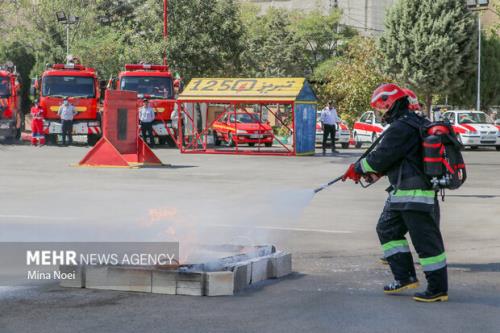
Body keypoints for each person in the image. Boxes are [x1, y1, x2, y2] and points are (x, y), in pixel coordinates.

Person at [342, 83, 448, 303]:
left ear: (391, 104)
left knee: (426, 242)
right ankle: (404, 276)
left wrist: (359, 168)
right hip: (403, 192)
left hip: (415, 193)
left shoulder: (402, 127)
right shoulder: (410, 124)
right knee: (386, 229)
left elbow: (381, 156)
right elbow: (401, 157)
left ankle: (438, 289)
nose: (382, 114)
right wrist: (377, 173)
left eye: (382, 109)